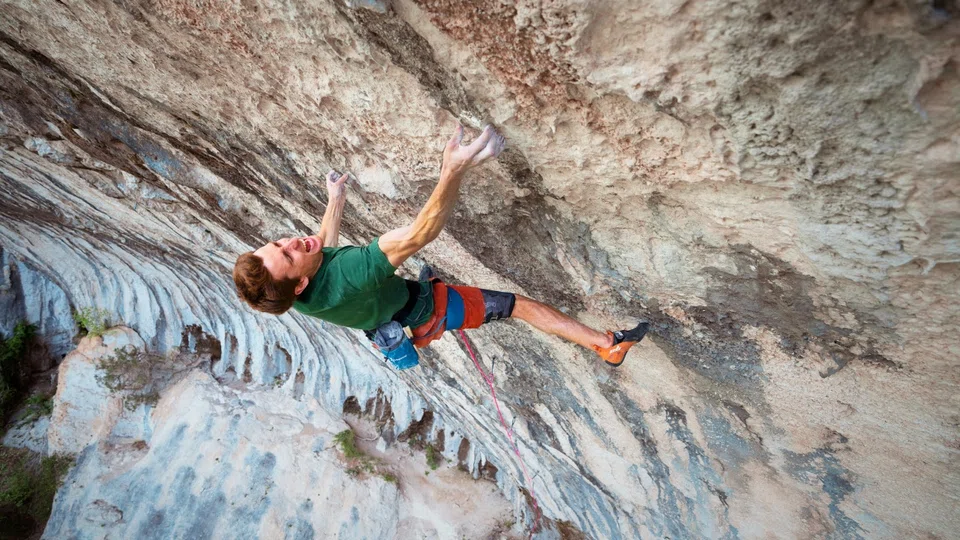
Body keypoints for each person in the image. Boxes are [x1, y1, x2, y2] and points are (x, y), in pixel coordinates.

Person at [233, 125, 648, 367]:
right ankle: (606, 345)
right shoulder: (349, 273)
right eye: (286, 253)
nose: (291, 242)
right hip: (428, 311)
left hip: (390, 315)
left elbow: (318, 247)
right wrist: (452, 169)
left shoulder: (286, 294)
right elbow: (420, 233)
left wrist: (335, 200)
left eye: (277, 243)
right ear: (300, 284)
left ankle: (603, 343)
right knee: (517, 305)